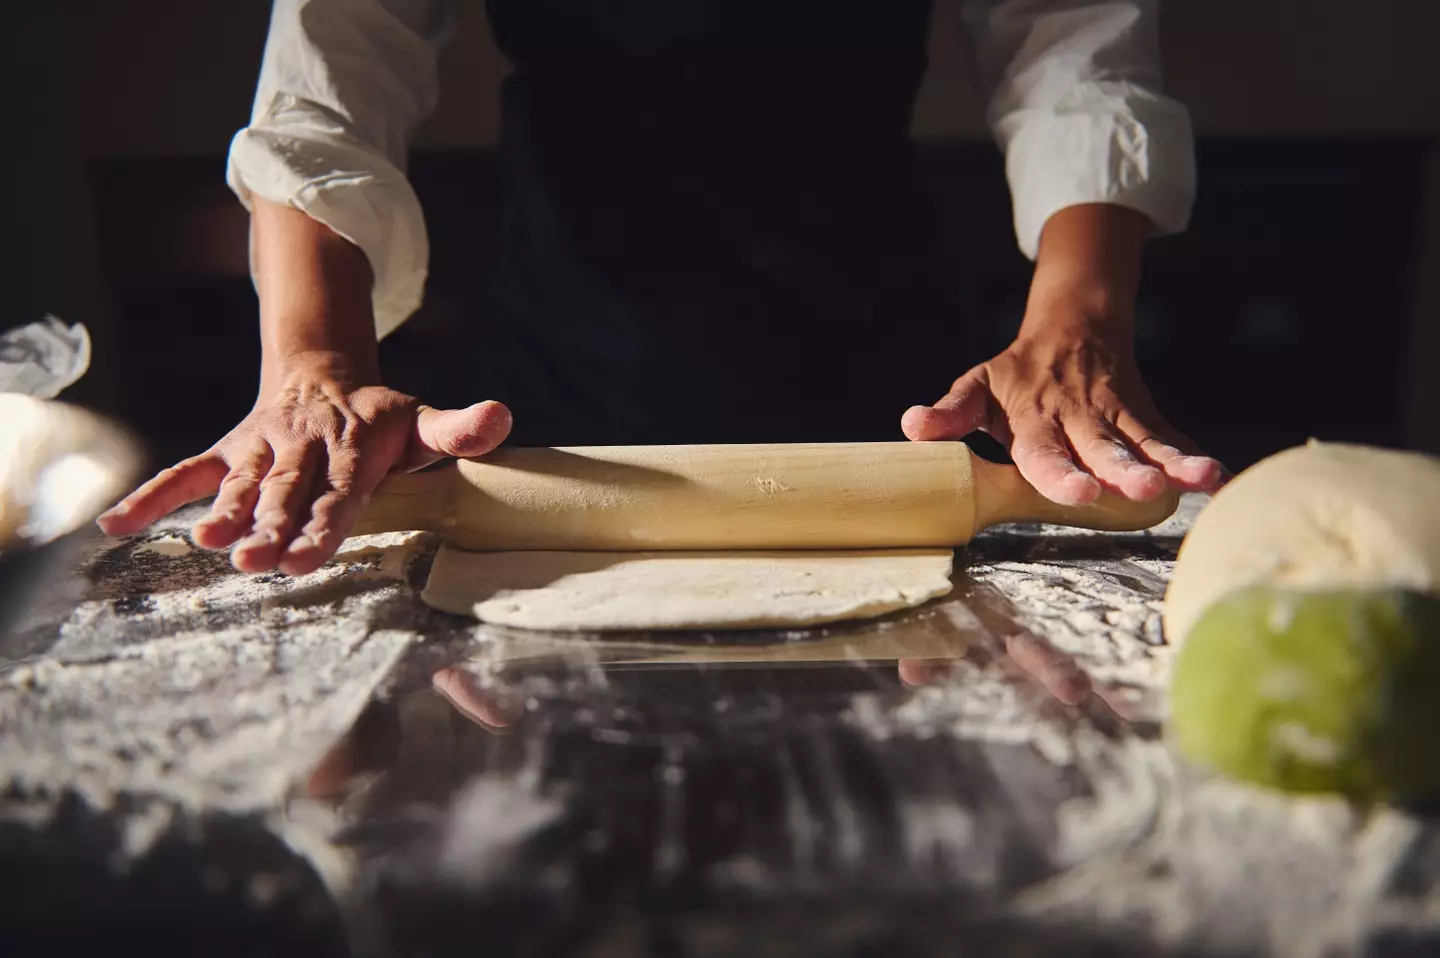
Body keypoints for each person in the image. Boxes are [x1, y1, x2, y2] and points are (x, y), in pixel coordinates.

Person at [99, 0, 1223, 574]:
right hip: (562, 373)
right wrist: (314, 363)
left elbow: (1072, 47)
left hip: (890, 388)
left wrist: (1077, 318)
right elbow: (327, 86)